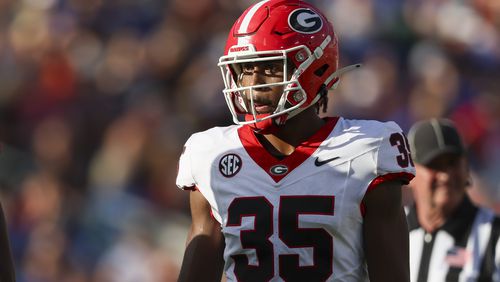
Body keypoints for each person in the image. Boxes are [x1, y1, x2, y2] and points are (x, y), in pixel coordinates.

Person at [176, 0, 415, 281]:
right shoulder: (211, 153)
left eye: (270, 68)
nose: (253, 85)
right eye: (245, 69)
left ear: (316, 69)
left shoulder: (367, 149)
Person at [406, 118, 500, 282]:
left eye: (453, 163)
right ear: (410, 173)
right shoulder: (391, 230)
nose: (446, 175)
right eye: (434, 165)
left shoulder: (493, 235)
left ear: (467, 167)